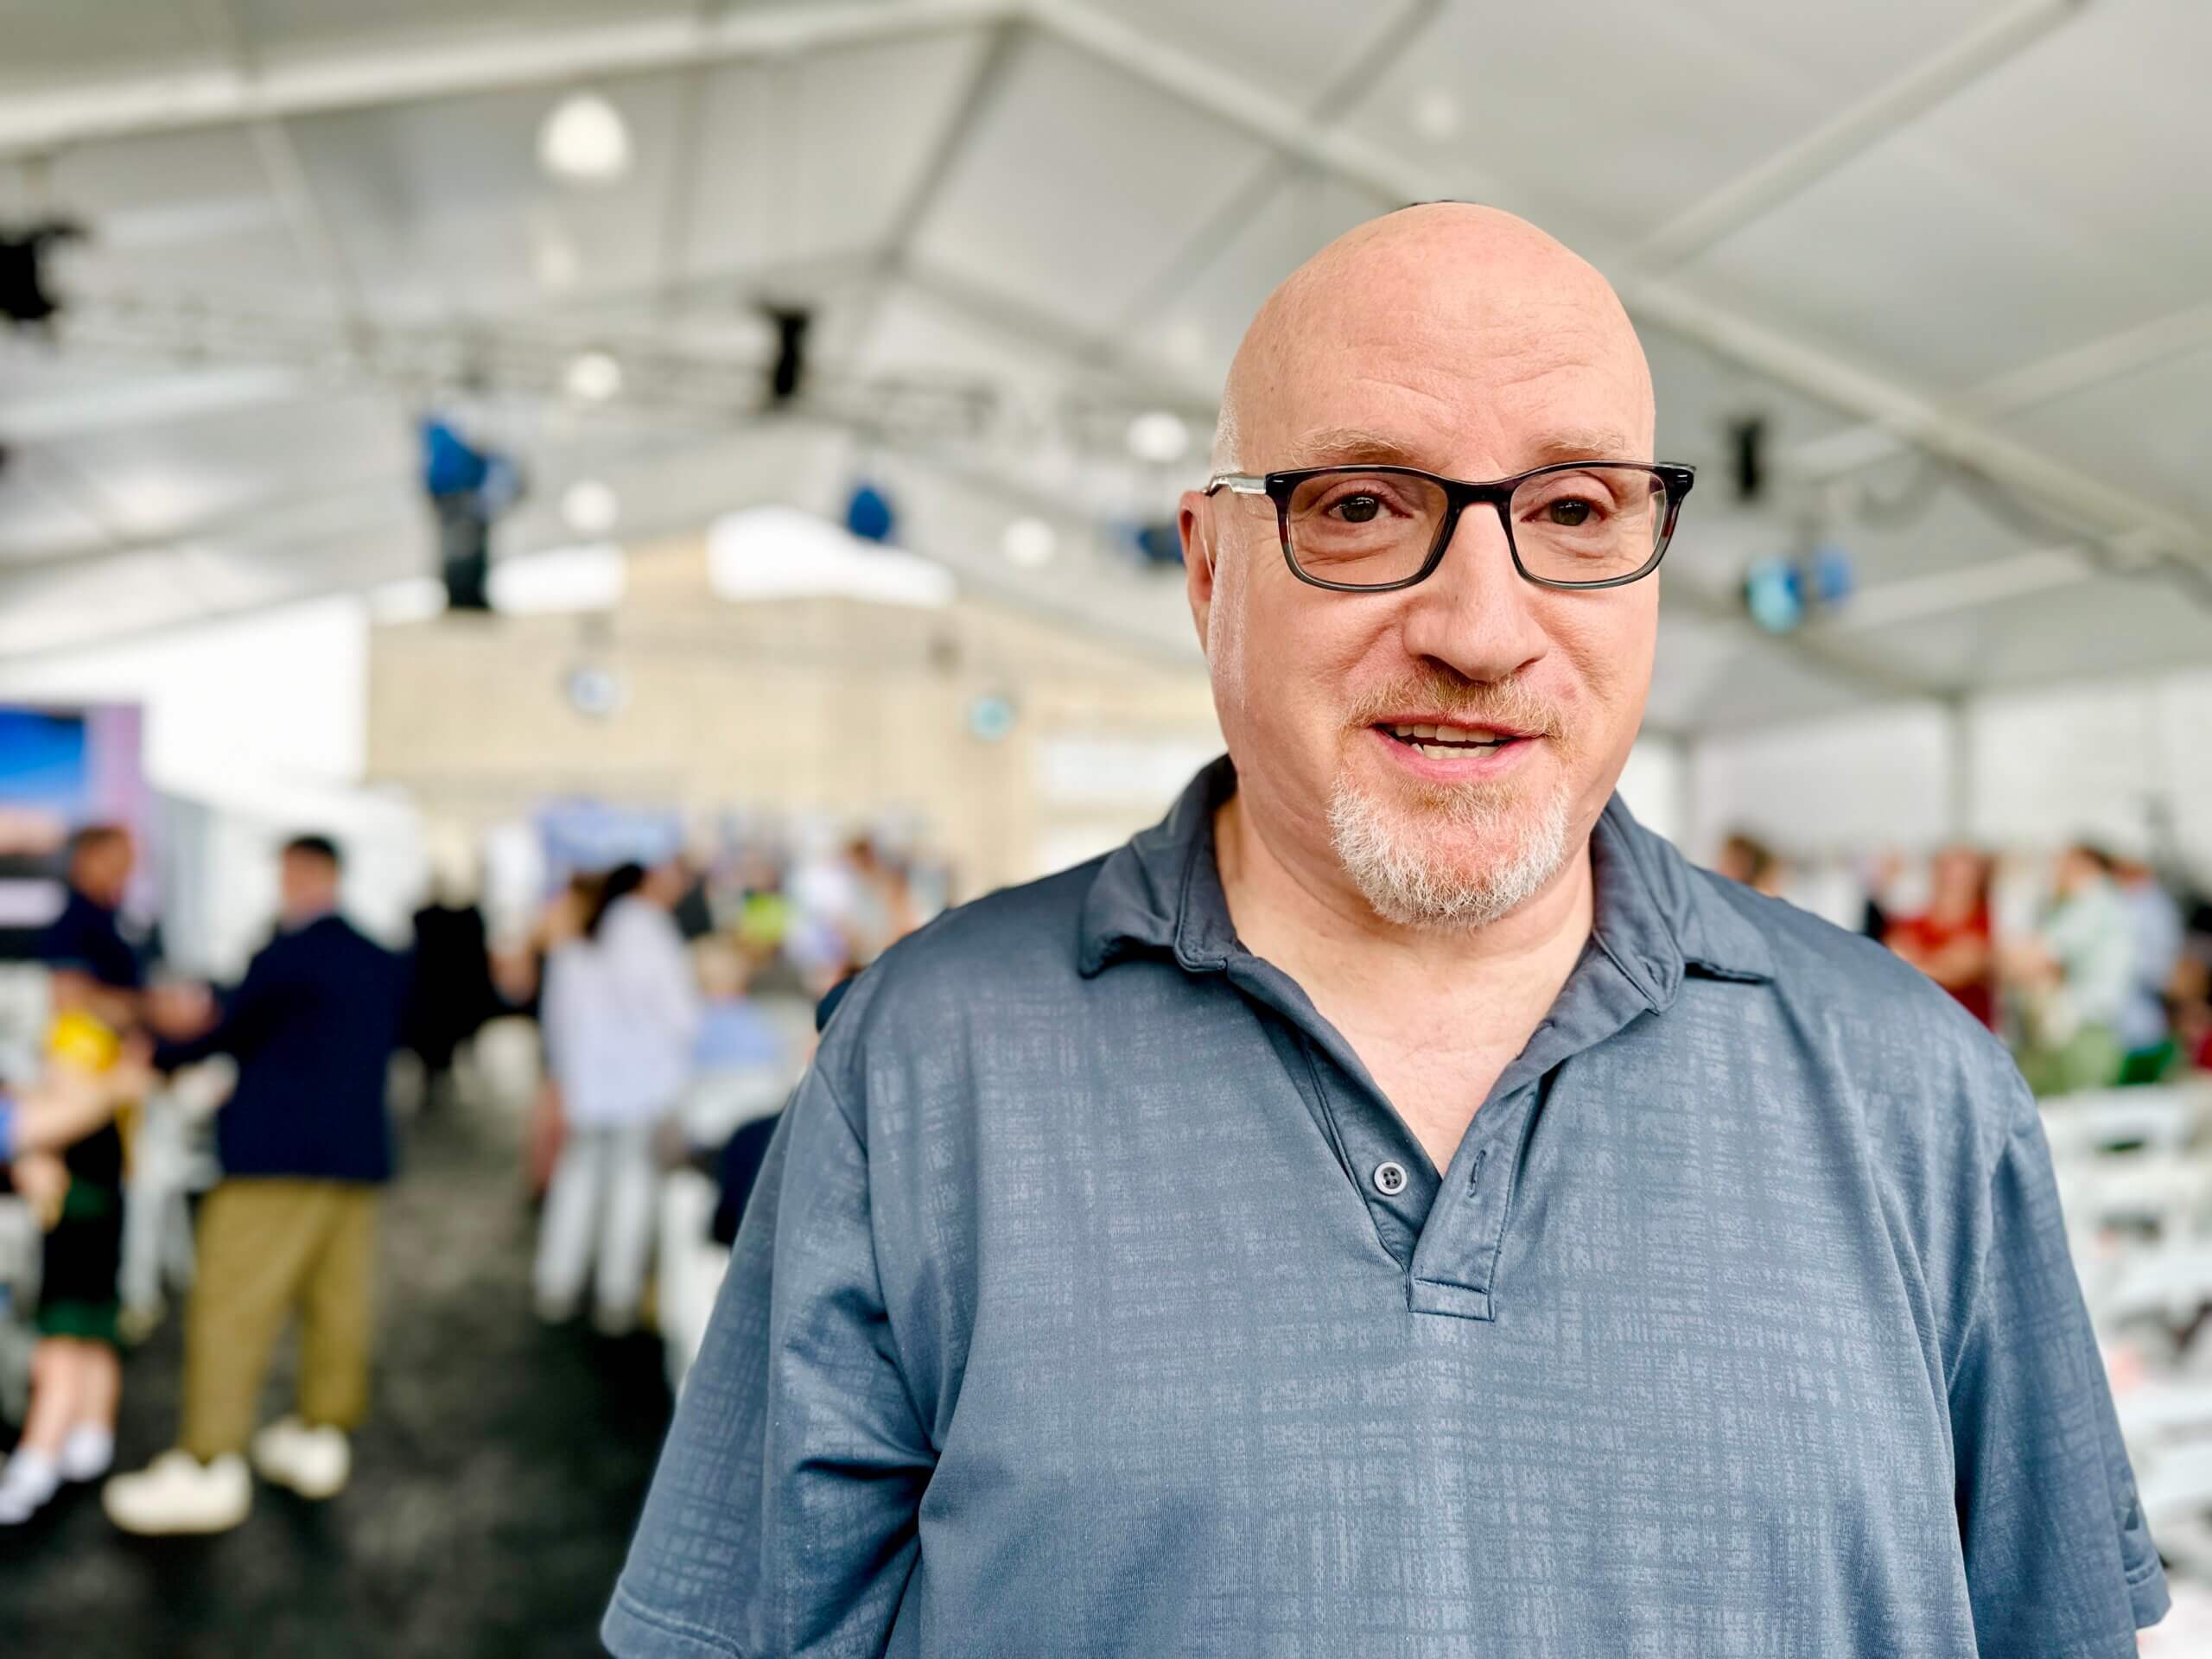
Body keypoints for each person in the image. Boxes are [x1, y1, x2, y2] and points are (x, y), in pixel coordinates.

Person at [605, 206, 2164, 1656]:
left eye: (1573, 508)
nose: (1482, 630)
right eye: (1361, 506)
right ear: (1206, 567)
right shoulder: (929, 1064)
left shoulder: (1919, 1094)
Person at [101, 834, 408, 1535]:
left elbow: (232, 1028)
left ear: (306, 873)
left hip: (277, 1154)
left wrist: (156, 1052)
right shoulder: (376, 954)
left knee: (232, 1300)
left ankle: (209, 1461)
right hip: (357, 1155)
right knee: (337, 1301)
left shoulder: (287, 949)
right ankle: (320, 1433)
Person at [0, 824, 152, 1525]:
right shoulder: (80, 1042)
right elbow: (36, 1124)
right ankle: (72, 1444)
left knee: (72, 1320)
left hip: (87, 1185)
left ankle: (50, 1454)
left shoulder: (75, 1048)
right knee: (80, 1321)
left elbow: (35, 1124)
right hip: (90, 1177)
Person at [532, 858, 698, 1335]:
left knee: (577, 1180)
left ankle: (556, 1284)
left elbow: (558, 1020)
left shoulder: (583, 935)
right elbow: (681, 1014)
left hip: (589, 1086)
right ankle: (616, 1293)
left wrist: (564, 1078)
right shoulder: (652, 933)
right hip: (642, 1087)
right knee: (632, 1186)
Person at [2005, 842, 2135, 1097]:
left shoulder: (2091, 902)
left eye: (2061, 864)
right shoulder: (2103, 903)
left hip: (2077, 1036)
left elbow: (2027, 959)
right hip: (2086, 1033)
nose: (2055, 872)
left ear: (2084, 866)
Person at [1885, 844, 1998, 1029]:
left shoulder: (1985, 923)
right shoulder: (1911, 923)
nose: (1955, 881)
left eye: (1963, 875)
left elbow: (1961, 968)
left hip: (1971, 1033)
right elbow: (1891, 962)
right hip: (1923, 1028)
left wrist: (1912, 963)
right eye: (1950, 872)